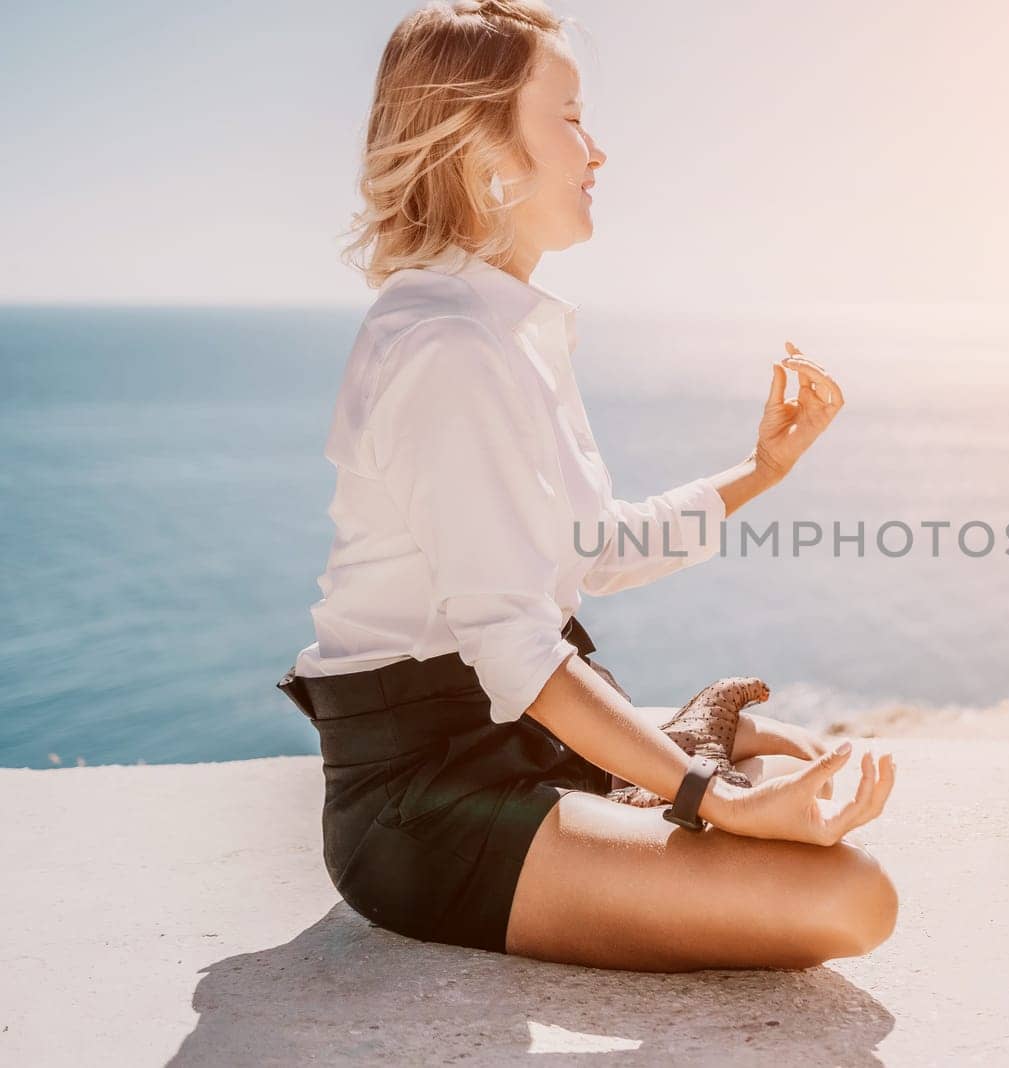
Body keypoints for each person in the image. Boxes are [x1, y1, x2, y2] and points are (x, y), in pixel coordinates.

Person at [274, 0, 898, 970]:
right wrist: (710, 797)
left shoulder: (506, 329)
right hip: (422, 804)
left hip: (512, 737)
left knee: (808, 762)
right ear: (481, 148)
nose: (596, 149)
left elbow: (591, 550)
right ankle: (664, 762)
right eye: (566, 116)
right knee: (847, 900)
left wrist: (760, 471)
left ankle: (654, 758)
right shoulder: (448, 346)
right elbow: (515, 643)